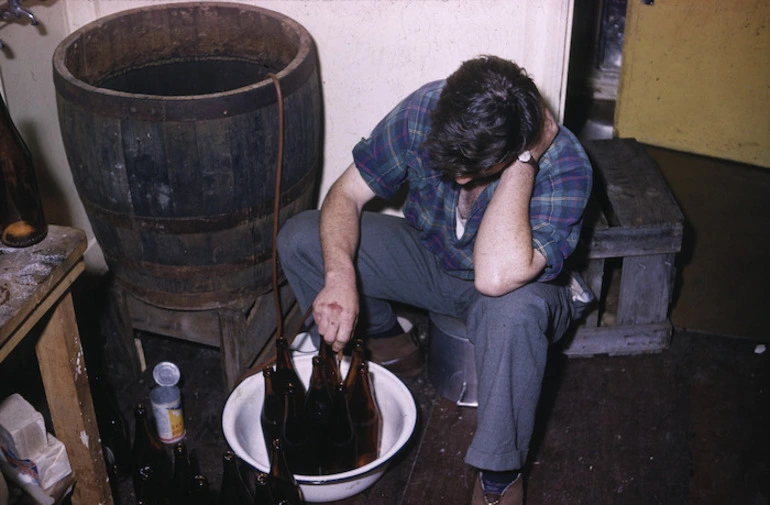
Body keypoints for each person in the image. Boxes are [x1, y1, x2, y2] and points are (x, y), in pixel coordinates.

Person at [277, 55, 593, 505]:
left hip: (516, 289)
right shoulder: (426, 109)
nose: (459, 177)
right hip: (436, 260)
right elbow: (345, 195)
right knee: (302, 238)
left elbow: (497, 276)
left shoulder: (565, 165)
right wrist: (340, 276)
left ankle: (500, 475)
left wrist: (525, 161)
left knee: (511, 310)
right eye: (449, 162)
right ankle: (388, 342)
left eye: (474, 166)